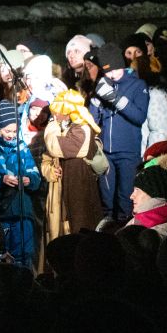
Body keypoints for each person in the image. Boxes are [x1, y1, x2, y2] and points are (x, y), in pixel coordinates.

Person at [90, 43, 149, 221]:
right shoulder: (103, 84)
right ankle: (107, 240)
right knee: (107, 202)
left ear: (121, 65)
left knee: (125, 201)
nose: (111, 75)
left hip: (128, 152)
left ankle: (125, 239)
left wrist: (115, 99)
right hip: (106, 153)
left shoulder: (137, 85)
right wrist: (95, 103)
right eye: (106, 71)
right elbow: (93, 122)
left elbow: (139, 116)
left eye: (114, 70)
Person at [43, 90, 104, 242]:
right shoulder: (66, 128)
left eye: (58, 111)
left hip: (78, 189)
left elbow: (54, 146)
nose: (55, 115)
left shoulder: (81, 129)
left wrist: (52, 125)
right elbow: (46, 159)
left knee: (79, 230)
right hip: (62, 191)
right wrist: (50, 171)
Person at [0, 100, 41, 267]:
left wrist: (29, 179)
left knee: (24, 254)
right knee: (0, 253)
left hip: (21, 210)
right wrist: (0, 180)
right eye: (7, 131)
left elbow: (35, 174)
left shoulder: (21, 147)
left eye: (14, 130)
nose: (11, 135)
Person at [127, 155, 167, 239]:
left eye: (137, 190)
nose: (131, 196)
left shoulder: (157, 235)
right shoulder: (138, 220)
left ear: (154, 193)